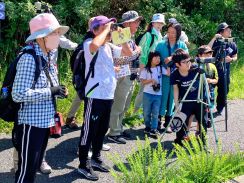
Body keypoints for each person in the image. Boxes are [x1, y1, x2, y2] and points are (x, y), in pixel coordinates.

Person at [12, 13, 69, 183]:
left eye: (59, 33)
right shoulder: (29, 58)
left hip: (44, 121)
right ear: (41, 37)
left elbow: (46, 85)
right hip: (31, 123)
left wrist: (58, 91)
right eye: (54, 33)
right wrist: (51, 91)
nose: (58, 37)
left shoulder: (48, 56)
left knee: (34, 167)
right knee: (26, 171)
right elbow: (18, 94)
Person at [77, 15, 133, 181]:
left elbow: (128, 53)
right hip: (94, 95)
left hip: (108, 95)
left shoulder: (108, 46)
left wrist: (121, 35)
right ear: (95, 30)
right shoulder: (88, 44)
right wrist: (108, 28)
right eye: (106, 27)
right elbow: (95, 44)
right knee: (89, 131)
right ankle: (83, 164)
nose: (110, 29)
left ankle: (96, 157)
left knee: (101, 130)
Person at [107, 10, 142, 144]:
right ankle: (114, 132)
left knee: (125, 105)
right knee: (118, 104)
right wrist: (137, 51)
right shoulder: (119, 34)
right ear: (127, 23)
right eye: (136, 21)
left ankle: (119, 128)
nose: (138, 24)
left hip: (130, 75)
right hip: (121, 75)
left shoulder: (129, 36)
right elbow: (119, 59)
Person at [170, 49, 207, 146]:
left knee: (203, 122)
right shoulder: (175, 74)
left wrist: (202, 72)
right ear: (177, 64)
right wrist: (176, 104)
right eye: (184, 62)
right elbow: (175, 89)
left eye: (189, 61)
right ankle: (179, 142)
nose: (188, 64)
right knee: (182, 122)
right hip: (186, 101)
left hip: (199, 100)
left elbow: (205, 81)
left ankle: (203, 143)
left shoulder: (195, 69)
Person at [156, 23, 188, 132]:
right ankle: (157, 122)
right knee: (162, 97)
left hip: (177, 76)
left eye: (173, 32)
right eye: (169, 32)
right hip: (163, 76)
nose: (170, 34)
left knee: (172, 100)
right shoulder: (160, 44)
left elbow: (186, 59)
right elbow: (154, 60)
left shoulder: (182, 45)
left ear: (178, 33)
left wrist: (173, 58)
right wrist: (164, 69)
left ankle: (168, 122)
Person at [134, 13, 165, 115]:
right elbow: (142, 52)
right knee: (143, 91)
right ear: (153, 23)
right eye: (157, 22)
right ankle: (136, 113)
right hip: (146, 67)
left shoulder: (160, 36)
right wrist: (142, 68)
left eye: (161, 23)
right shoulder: (148, 35)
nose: (159, 25)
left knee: (151, 90)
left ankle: (145, 114)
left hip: (156, 68)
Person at [186, 45, 218, 138]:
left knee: (204, 113)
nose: (209, 55)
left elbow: (216, 80)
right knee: (191, 113)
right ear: (199, 55)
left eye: (210, 53)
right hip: (194, 93)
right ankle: (186, 132)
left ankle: (198, 132)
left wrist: (209, 81)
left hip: (208, 93)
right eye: (206, 53)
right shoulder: (194, 66)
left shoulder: (212, 66)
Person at [208, 22, 238, 117]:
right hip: (212, 71)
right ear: (221, 32)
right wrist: (214, 38)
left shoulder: (231, 42)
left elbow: (235, 55)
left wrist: (232, 59)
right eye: (227, 29)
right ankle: (207, 109)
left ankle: (219, 109)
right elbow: (207, 49)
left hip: (225, 72)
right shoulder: (215, 42)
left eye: (230, 29)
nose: (230, 31)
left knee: (224, 91)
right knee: (209, 90)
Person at [140, 52, 167, 137]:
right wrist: (151, 80)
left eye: (159, 58)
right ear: (151, 59)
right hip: (147, 93)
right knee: (146, 112)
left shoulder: (161, 68)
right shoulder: (145, 69)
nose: (158, 60)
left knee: (156, 112)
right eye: (155, 58)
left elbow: (169, 73)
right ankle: (147, 126)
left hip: (158, 94)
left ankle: (154, 129)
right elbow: (143, 82)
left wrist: (169, 64)